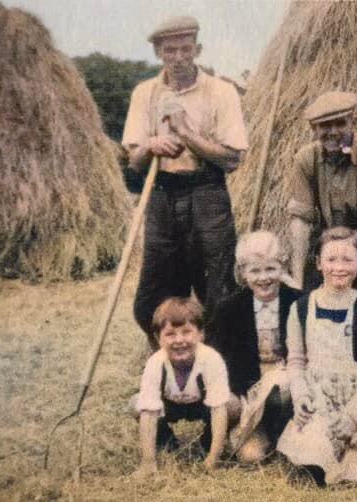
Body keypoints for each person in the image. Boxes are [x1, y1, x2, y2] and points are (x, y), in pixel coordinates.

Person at [121, 15, 248, 343]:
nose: (178, 57)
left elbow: (232, 158)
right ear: (158, 53)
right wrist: (151, 145)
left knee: (218, 291)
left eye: (185, 49)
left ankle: (220, 371)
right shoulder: (144, 93)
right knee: (151, 296)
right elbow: (134, 161)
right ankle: (168, 366)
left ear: (198, 49)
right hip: (162, 193)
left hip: (207, 192)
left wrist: (183, 132)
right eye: (169, 51)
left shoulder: (221, 92)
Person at [277, 226, 357, 484]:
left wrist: (353, 416)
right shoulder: (301, 308)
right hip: (316, 402)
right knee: (314, 468)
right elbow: (295, 362)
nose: (339, 267)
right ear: (318, 263)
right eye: (331, 259)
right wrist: (301, 397)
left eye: (347, 260)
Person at [287, 91, 357, 307]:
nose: (332, 132)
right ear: (314, 129)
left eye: (340, 124)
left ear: (353, 122)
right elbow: (300, 221)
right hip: (329, 242)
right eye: (324, 126)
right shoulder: (305, 158)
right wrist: (297, 282)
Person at [207, 230, 301, 462]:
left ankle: (283, 433)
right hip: (248, 392)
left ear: (282, 266)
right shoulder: (229, 309)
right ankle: (250, 431)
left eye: (270, 269)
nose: (263, 278)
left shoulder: (299, 302)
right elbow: (219, 359)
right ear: (243, 273)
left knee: (281, 394)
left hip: (287, 384)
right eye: (255, 271)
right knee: (251, 457)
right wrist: (238, 393)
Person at [133, 297, 230, 476]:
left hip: (203, 405)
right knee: (137, 403)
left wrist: (213, 459)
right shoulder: (155, 363)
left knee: (230, 404)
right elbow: (148, 411)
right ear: (158, 338)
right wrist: (148, 462)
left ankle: (207, 445)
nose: (179, 340)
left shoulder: (211, 359)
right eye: (170, 334)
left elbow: (218, 409)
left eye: (187, 332)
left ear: (201, 334)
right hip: (170, 405)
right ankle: (167, 443)